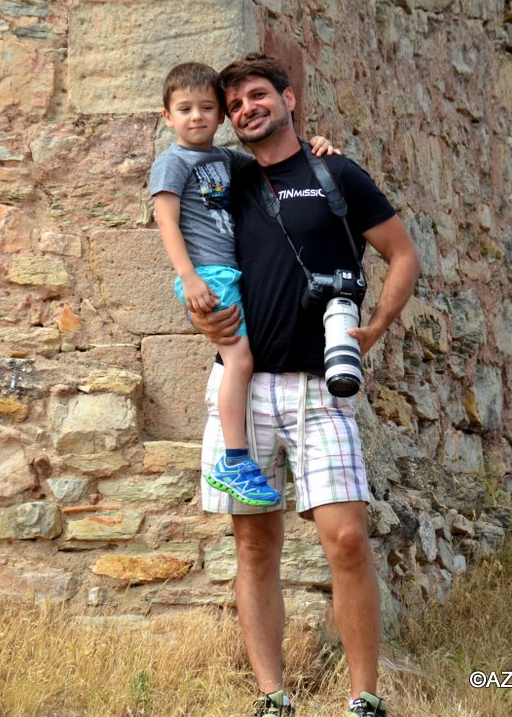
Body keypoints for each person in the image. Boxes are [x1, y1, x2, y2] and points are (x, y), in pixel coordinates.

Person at [191, 53, 421, 717]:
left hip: (322, 388)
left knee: (346, 538)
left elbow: (403, 254)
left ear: (289, 99)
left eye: (257, 95)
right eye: (235, 104)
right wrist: (199, 311)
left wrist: (374, 328)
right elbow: (190, 248)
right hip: (241, 388)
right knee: (253, 544)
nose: (246, 109)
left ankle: (365, 698)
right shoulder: (225, 180)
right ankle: (273, 697)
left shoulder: (335, 172)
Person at [149, 62, 338, 508]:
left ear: (220, 117)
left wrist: (316, 146)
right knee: (239, 360)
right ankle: (234, 460)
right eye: (185, 109)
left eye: (206, 108)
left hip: (229, 273)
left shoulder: (225, 160)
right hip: (208, 275)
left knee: (244, 359)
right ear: (167, 117)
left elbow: (276, 161)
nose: (196, 116)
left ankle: (259, 454)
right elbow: (166, 221)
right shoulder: (172, 162)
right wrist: (189, 277)